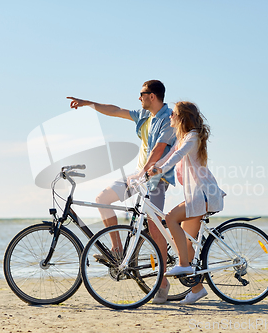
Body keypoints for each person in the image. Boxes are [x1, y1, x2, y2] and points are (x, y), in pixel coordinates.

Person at [67, 80, 175, 304]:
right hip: (138, 176)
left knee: (155, 229)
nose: (139, 98)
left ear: (152, 96)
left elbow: (159, 149)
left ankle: (162, 281)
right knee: (103, 199)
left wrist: (144, 172)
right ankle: (117, 251)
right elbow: (115, 110)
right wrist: (89, 103)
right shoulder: (144, 116)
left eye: (142, 94)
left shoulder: (168, 118)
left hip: (156, 178)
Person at [149, 101, 226, 305]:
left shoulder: (192, 137)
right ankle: (197, 288)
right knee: (185, 244)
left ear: (182, 117)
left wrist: (159, 169)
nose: (170, 117)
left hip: (203, 194)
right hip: (197, 196)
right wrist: (147, 171)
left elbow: (176, 156)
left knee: (170, 218)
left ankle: (183, 265)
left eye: (173, 114)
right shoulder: (183, 137)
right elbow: (170, 154)